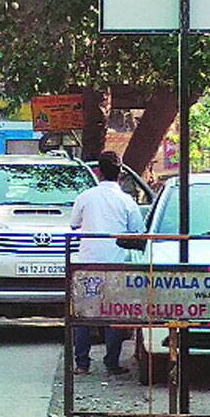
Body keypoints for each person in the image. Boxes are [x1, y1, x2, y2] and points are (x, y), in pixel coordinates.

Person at [70, 151, 145, 375]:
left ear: (98, 172)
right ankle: (111, 362)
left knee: (83, 315)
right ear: (120, 174)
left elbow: (74, 225)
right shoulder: (127, 201)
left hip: (87, 264)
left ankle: (82, 364)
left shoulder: (85, 197)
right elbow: (138, 232)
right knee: (114, 315)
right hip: (116, 264)